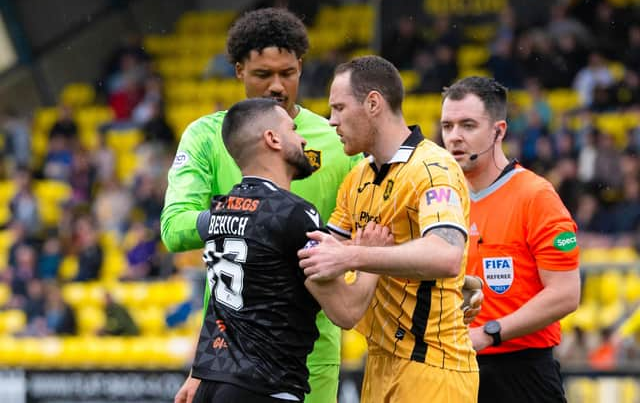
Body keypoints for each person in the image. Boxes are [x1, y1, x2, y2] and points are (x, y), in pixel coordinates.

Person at [161, 8, 361, 403]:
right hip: (229, 350)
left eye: (287, 73)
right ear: (238, 70)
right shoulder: (205, 136)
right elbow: (174, 228)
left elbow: (371, 223)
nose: (276, 86)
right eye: (262, 75)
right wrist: (249, 218)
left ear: (301, 67)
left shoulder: (338, 139)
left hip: (316, 346)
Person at [298, 55, 479, 402]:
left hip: (433, 366)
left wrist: (353, 256)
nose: (331, 121)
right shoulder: (355, 180)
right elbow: (344, 309)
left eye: (338, 108)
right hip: (378, 367)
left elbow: (446, 257)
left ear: (373, 103)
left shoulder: (433, 168)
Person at [191, 98, 384, 402]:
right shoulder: (293, 214)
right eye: (293, 129)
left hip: (212, 383)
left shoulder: (219, 210)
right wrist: (370, 258)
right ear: (273, 139)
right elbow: (345, 312)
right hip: (264, 387)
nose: (303, 138)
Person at [439, 76, 581, 403]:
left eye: (468, 125)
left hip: (522, 374)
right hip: (455, 370)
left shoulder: (535, 196)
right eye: (448, 126)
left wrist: (491, 333)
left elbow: (565, 294)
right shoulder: (442, 196)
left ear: (498, 131)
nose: (455, 137)